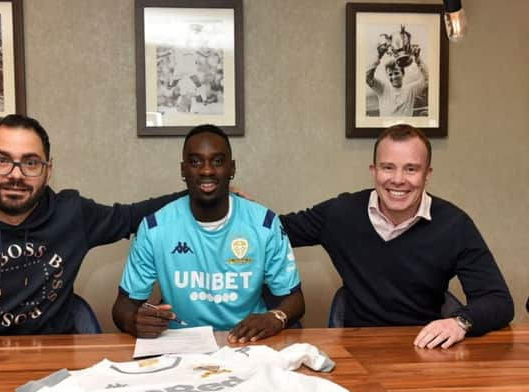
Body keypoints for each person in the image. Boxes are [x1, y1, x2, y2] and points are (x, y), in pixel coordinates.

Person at [0, 114, 182, 385]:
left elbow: (132, 216)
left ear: (47, 170)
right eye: (2, 160)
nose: (16, 175)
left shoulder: (72, 215)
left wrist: (206, 192)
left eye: (30, 163)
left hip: (59, 368)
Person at [280, 124, 514, 349]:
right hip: (356, 348)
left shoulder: (455, 224)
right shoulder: (340, 213)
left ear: (427, 174)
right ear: (374, 171)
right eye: (388, 167)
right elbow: (270, 230)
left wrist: (460, 323)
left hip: (425, 349)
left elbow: (498, 301)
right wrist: (243, 208)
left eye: (411, 169)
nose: (398, 179)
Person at [112, 124, 304, 343]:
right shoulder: (154, 227)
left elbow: (295, 299)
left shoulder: (265, 224)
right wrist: (133, 321)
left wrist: (275, 316)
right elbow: (122, 307)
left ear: (232, 168)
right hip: (178, 344)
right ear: (183, 170)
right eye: (195, 162)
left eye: (218, 161)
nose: (206, 170)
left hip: (247, 343)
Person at [366, 33, 428, 117]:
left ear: (403, 74)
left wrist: (418, 59)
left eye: (396, 73)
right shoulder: (382, 88)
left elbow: (427, 80)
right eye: (390, 74)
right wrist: (379, 56)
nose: (393, 77)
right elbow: (368, 78)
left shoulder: (410, 90)